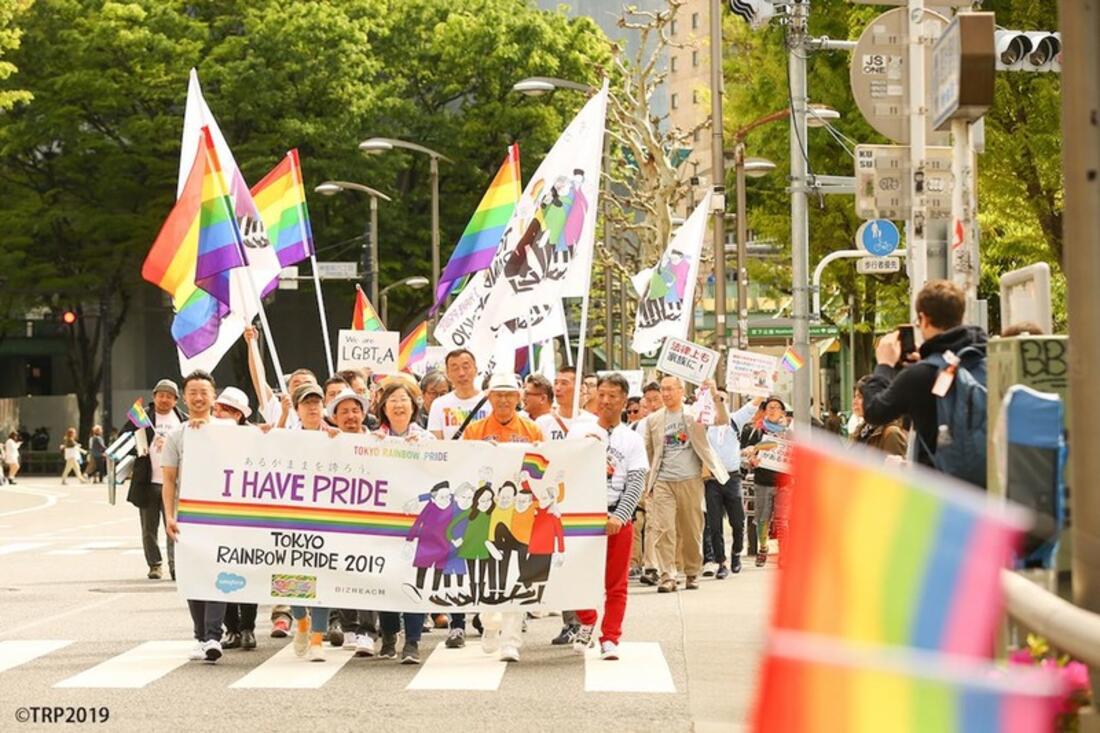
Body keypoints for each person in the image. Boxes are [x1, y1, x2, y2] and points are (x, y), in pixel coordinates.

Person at [861, 280, 989, 477]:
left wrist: (884, 366)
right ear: (960, 316)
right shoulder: (988, 359)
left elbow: (874, 412)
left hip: (941, 490)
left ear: (924, 319)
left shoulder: (920, 376)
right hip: (989, 487)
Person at [463, 372, 544, 663]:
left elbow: (544, 467)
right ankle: (489, 624)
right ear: (489, 397)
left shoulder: (533, 430)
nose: (504, 400)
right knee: (487, 577)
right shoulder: (475, 430)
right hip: (487, 517)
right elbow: (464, 469)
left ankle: (511, 641)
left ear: (519, 397)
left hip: (521, 517)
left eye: (510, 394)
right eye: (498, 394)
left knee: (516, 578)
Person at [162, 370, 236, 663]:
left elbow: (257, 447)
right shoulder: (177, 435)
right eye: (192, 392)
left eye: (203, 392)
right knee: (194, 576)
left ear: (213, 397)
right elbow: (169, 480)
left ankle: (213, 636)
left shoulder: (228, 429)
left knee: (217, 573)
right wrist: (169, 516)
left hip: (222, 516)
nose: (198, 397)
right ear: (184, 396)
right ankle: (200, 636)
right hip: (188, 516)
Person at [573, 373, 648, 660]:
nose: (605, 400)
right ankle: (587, 620)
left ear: (624, 401)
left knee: (616, 583)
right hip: (582, 519)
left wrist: (620, 516)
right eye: (601, 394)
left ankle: (611, 637)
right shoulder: (580, 432)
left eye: (612, 395)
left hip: (618, 516)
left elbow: (636, 480)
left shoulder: (632, 440)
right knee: (577, 577)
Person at [641, 375, 729, 593]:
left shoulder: (694, 413)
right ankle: (667, 575)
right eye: (663, 389)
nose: (666, 393)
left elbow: (722, 420)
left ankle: (691, 572)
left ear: (681, 390)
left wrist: (716, 395)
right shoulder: (653, 420)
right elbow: (649, 453)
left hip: (690, 479)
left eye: (671, 389)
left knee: (691, 530)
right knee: (664, 530)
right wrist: (648, 484)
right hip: (663, 481)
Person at [428, 349, 492, 647]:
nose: (462, 372)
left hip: (486, 491)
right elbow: (437, 446)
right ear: (447, 372)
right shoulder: (441, 405)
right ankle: (457, 621)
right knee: (454, 555)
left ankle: (483, 611)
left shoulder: (492, 401)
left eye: (466, 365)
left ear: (476, 367)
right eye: (455, 367)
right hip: (454, 491)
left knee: (483, 553)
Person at [373, 378, 430, 664]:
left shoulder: (428, 441)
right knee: (386, 577)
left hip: (417, 523)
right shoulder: (371, 440)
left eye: (403, 399)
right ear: (384, 407)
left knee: (413, 580)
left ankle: (413, 641)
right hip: (384, 523)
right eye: (392, 400)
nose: (398, 405)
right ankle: (389, 634)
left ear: (414, 406)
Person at [122, 379, 185, 581]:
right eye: (161, 395)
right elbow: (124, 441)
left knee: (173, 526)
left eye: (169, 396)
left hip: (175, 483)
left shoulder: (183, 421)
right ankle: (155, 564)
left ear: (176, 400)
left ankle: (176, 566)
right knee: (149, 528)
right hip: (147, 481)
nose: (164, 399)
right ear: (154, 396)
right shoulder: (143, 418)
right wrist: (145, 444)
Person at [703, 392, 761, 579]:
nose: (718, 404)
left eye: (722, 400)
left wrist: (766, 381)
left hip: (732, 477)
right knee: (714, 524)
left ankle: (736, 552)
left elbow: (756, 402)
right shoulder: (704, 425)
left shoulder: (735, 420)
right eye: (715, 401)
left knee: (738, 521)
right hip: (712, 480)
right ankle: (721, 562)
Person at [741, 396, 792, 567]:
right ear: (765, 410)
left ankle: (785, 554)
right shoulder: (756, 431)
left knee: (782, 520)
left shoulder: (789, 433)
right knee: (762, 519)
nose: (773, 410)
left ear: (782, 412)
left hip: (783, 483)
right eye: (770, 407)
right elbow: (746, 453)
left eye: (777, 407)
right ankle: (763, 548)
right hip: (762, 480)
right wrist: (751, 458)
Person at [243, 324, 318, 429]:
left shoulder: (325, 414)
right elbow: (259, 381)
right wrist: (252, 344)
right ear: (288, 390)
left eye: (307, 384)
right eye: (296, 384)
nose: (301, 387)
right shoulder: (277, 409)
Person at [428, 349, 492, 440]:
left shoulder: (490, 402)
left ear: (476, 370)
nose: (461, 373)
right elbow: (435, 443)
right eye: (455, 369)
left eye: (466, 367)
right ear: (448, 374)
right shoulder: (438, 405)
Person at [850, 376, 907, 459]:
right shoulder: (862, 430)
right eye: (855, 397)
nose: (854, 402)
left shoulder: (891, 433)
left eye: (860, 397)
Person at [535, 366, 595, 441]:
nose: (558, 388)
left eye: (564, 383)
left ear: (581, 388)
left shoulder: (592, 422)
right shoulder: (542, 423)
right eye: (556, 383)